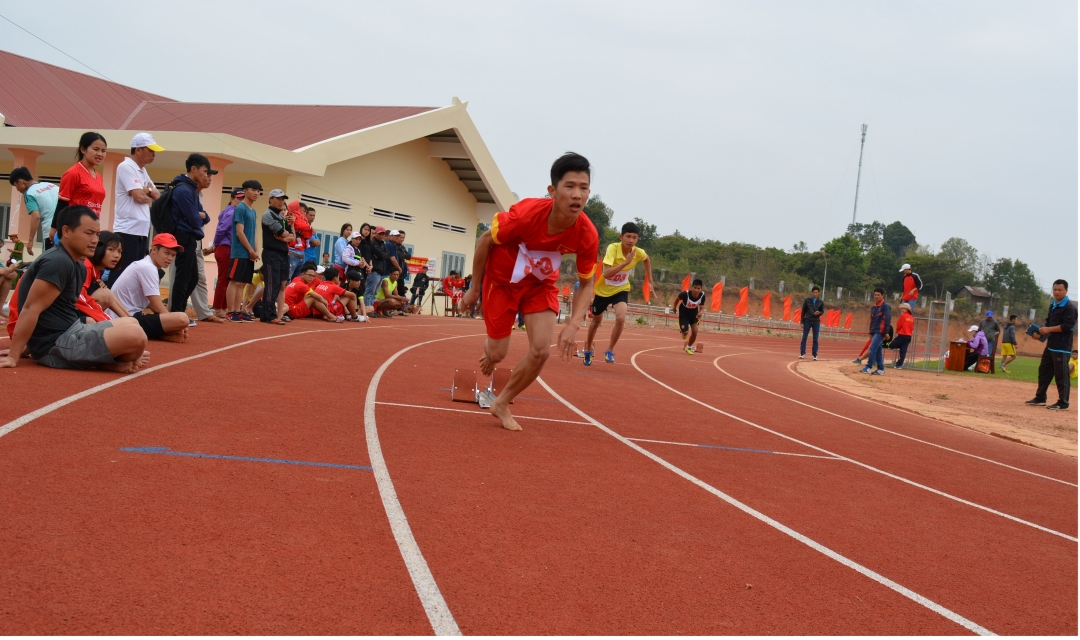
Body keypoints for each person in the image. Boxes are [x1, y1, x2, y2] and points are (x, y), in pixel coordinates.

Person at [459, 152, 600, 431]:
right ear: (552, 191)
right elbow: (485, 240)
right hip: (502, 283)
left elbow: (586, 283)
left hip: (539, 285)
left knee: (541, 351)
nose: (577, 195)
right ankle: (491, 351)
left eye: (584, 188)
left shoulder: (587, 234)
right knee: (498, 353)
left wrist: (573, 324)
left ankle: (501, 403)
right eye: (570, 186)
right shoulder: (526, 214)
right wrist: (474, 289)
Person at [1, 205, 149, 372]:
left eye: (97, 234)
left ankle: (110, 359)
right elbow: (30, 309)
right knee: (136, 336)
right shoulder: (58, 262)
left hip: (71, 331)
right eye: (89, 233)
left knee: (132, 322)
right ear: (66, 231)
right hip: (55, 345)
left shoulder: (78, 264)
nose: (95, 240)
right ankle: (108, 361)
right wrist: (14, 355)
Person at [583, 221, 651, 365]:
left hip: (621, 289)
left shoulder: (638, 252)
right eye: (628, 236)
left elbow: (647, 259)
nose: (631, 240)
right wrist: (625, 263)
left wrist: (650, 279)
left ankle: (609, 350)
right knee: (596, 322)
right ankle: (588, 349)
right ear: (621, 237)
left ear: (637, 239)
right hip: (603, 291)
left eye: (634, 237)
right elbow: (606, 273)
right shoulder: (613, 249)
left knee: (620, 318)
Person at [109, 234, 193, 342]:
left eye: (173, 255)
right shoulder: (148, 267)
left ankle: (159, 334)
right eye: (166, 253)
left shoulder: (146, 265)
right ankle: (160, 334)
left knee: (176, 320)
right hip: (125, 319)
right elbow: (157, 307)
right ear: (154, 249)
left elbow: (152, 304)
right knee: (182, 319)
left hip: (127, 317)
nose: (170, 258)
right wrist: (175, 324)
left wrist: (171, 323)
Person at [110, 133, 163, 285]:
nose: (153, 155)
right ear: (138, 150)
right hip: (127, 230)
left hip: (140, 231)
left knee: (134, 275)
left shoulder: (142, 171)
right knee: (122, 273)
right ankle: (110, 300)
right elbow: (139, 197)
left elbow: (157, 195)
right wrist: (145, 191)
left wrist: (145, 190)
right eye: (150, 150)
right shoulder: (126, 166)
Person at [167, 154, 215, 316]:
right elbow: (195, 219)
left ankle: (179, 312)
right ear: (193, 169)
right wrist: (199, 216)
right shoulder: (183, 190)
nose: (206, 176)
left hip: (190, 237)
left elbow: (205, 217)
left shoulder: (191, 190)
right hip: (182, 236)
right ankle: (176, 314)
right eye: (205, 171)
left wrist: (200, 215)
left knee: (192, 277)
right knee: (183, 277)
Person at [1026, 279, 1076, 410]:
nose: (1057, 292)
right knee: (1044, 371)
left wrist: (1048, 329)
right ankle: (1040, 397)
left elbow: (1068, 326)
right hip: (1050, 345)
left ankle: (1063, 402)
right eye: (1055, 289)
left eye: (1060, 290)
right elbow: (1048, 323)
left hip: (1062, 347)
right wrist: (1040, 334)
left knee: (1061, 375)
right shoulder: (1053, 305)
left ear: (1066, 291)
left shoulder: (1070, 307)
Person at [225, 180, 261, 323]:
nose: (256, 193)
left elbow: (254, 233)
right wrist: (250, 250)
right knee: (235, 282)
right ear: (245, 191)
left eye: (258, 191)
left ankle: (238, 311)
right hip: (240, 252)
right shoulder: (241, 208)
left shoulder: (253, 211)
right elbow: (239, 232)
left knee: (242, 283)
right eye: (253, 190)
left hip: (249, 253)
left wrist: (256, 251)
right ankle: (230, 312)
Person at [259, 189, 296, 324]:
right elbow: (283, 233)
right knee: (272, 284)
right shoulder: (268, 215)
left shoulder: (282, 217)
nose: (281, 201)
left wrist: (283, 237)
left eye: (283, 199)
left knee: (280, 284)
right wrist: (285, 237)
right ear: (270, 199)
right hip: (272, 253)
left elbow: (292, 237)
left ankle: (267, 314)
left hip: (283, 254)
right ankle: (269, 314)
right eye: (278, 198)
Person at [57, 132, 108, 223]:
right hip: (74, 225)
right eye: (96, 149)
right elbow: (62, 204)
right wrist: (55, 228)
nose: (100, 154)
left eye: (103, 151)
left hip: (92, 225)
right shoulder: (73, 173)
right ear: (83, 149)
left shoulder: (99, 176)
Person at [8, 168, 60, 256]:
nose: (17, 190)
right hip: (67, 229)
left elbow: (36, 216)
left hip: (50, 233)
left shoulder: (30, 193)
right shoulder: (51, 185)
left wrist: (30, 240)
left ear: (20, 181)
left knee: (49, 261)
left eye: (16, 186)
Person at [210, 187, 244, 318]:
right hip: (225, 248)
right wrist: (215, 244)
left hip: (228, 248)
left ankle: (223, 307)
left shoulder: (232, 211)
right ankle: (218, 308)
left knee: (227, 280)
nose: (241, 201)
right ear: (232, 198)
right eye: (239, 198)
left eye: (243, 199)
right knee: (224, 280)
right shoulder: (231, 213)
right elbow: (221, 230)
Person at [861, 287, 891, 375]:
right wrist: (870, 332)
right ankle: (881, 369)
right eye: (875, 295)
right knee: (878, 350)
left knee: (872, 348)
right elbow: (872, 320)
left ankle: (868, 367)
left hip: (880, 331)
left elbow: (887, 319)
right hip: (874, 331)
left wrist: (886, 332)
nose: (876, 296)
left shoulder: (885, 306)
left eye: (878, 295)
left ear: (882, 296)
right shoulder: (874, 307)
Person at [362, 226, 392, 311]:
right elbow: (382, 254)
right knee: (370, 292)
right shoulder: (373, 243)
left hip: (380, 271)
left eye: (383, 234)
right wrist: (381, 255)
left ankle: (371, 309)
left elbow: (387, 255)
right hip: (374, 270)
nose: (381, 236)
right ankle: (368, 309)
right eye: (379, 234)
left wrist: (381, 255)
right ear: (376, 233)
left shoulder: (383, 243)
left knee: (374, 293)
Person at [674, 279, 706, 355]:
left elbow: (702, 308)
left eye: (698, 288)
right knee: (685, 332)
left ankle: (688, 347)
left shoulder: (702, 296)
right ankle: (683, 331)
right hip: (684, 314)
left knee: (695, 332)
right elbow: (677, 299)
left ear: (701, 289)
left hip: (693, 315)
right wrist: (674, 307)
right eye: (695, 288)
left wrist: (700, 313)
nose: (696, 290)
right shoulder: (685, 294)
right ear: (692, 287)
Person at [287, 200, 311, 279]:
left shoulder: (303, 219)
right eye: (303, 211)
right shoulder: (292, 216)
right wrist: (308, 227)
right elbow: (297, 225)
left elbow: (308, 233)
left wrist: (306, 228)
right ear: (297, 208)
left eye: (306, 212)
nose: (304, 213)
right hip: (292, 252)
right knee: (287, 279)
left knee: (297, 280)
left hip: (302, 253)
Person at [800, 285, 824, 360]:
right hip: (807, 321)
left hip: (816, 322)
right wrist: (802, 322)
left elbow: (822, 311)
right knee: (804, 337)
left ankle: (814, 354)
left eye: (816, 292)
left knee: (815, 339)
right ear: (812, 293)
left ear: (818, 293)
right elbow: (803, 311)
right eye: (814, 292)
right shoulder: (807, 300)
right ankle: (802, 353)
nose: (815, 294)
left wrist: (819, 313)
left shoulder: (821, 302)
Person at [891, 302, 914, 369]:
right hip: (908, 336)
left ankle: (885, 344)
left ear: (907, 309)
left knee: (891, 345)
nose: (902, 309)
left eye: (903, 308)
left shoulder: (903, 316)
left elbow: (899, 324)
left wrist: (897, 330)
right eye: (901, 308)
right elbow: (912, 327)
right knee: (903, 351)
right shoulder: (911, 317)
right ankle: (899, 365)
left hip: (902, 335)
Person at [390, 230, 411, 297]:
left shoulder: (402, 247)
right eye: (400, 237)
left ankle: (400, 304)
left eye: (403, 238)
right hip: (394, 272)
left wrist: (403, 255)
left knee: (401, 292)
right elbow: (399, 256)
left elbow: (409, 256)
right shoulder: (394, 246)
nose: (402, 239)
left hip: (401, 274)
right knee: (393, 292)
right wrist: (403, 255)